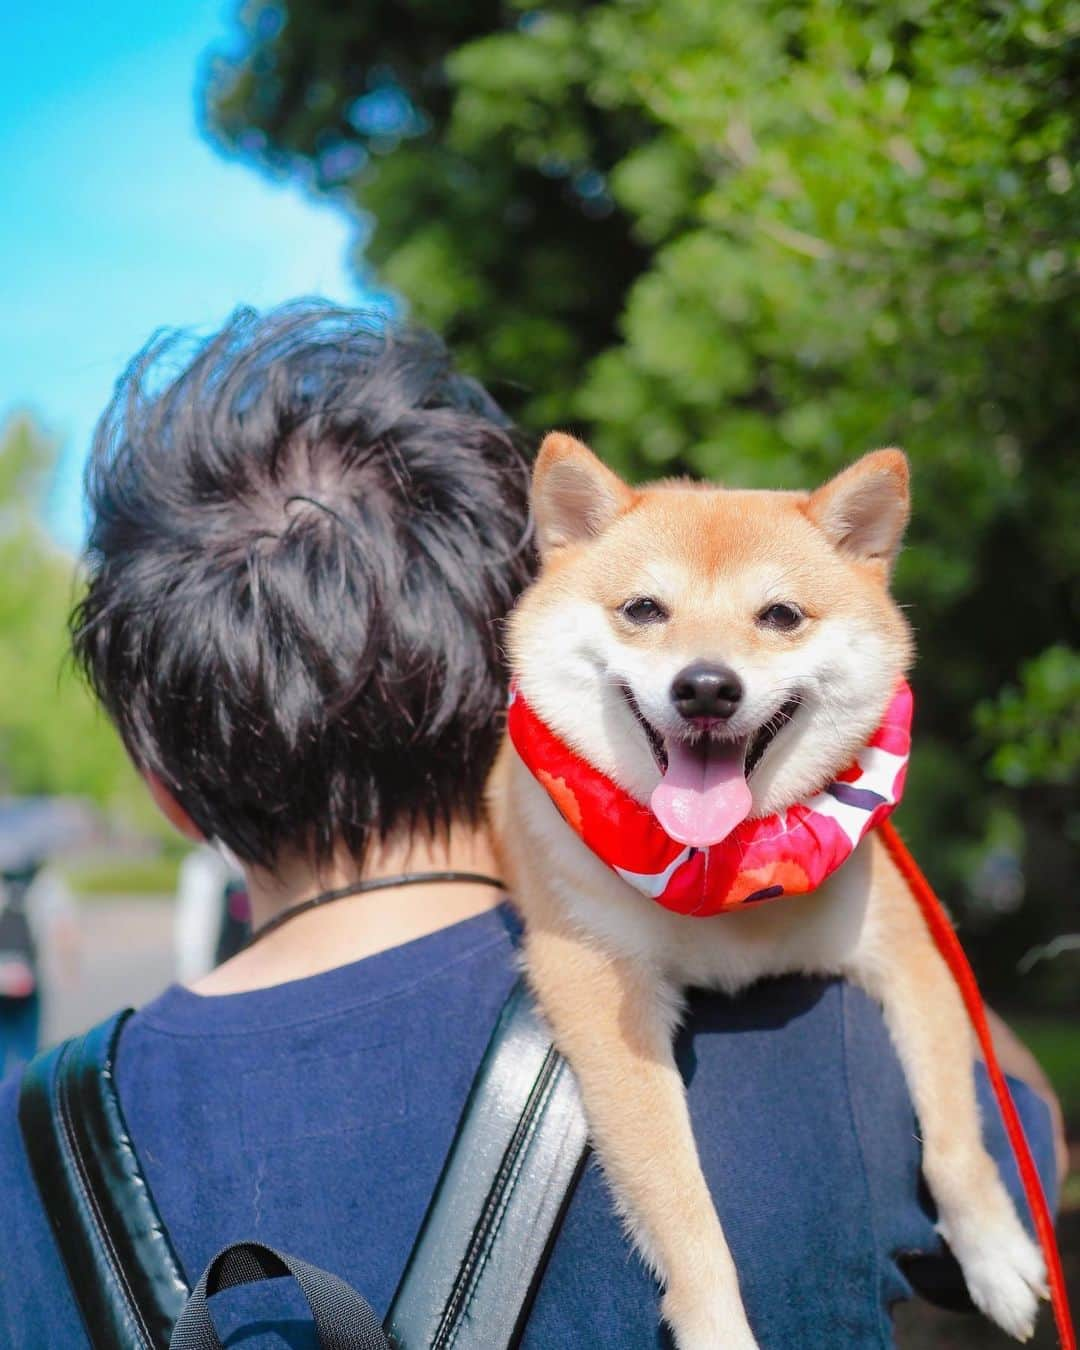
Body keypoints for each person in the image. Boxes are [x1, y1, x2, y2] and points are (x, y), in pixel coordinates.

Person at [0, 302, 1061, 1348]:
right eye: (644, 615)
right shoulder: (816, 1039)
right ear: (498, 682)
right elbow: (1033, 1145)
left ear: (160, 783)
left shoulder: (24, 1150)